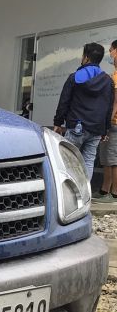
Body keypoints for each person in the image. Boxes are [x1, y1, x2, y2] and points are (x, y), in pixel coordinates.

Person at [53, 42, 115, 179]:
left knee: (68, 160)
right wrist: (105, 129)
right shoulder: (108, 81)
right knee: (88, 161)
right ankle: (85, 196)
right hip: (96, 129)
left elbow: (64, 101)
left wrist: (57, 122)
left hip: (76, 126)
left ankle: (69, 196)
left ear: (86, 57)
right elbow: (108, 107)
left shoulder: (75, 77)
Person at [93, 40, 117, 200]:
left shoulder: (116, 77)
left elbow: (115, 103)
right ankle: (108, 191)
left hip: (113, 123)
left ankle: (109, 192)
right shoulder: (113, 75)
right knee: (110, 158)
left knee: (110, 159)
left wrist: (106, 124)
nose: (109, 53)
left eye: (111, 50)